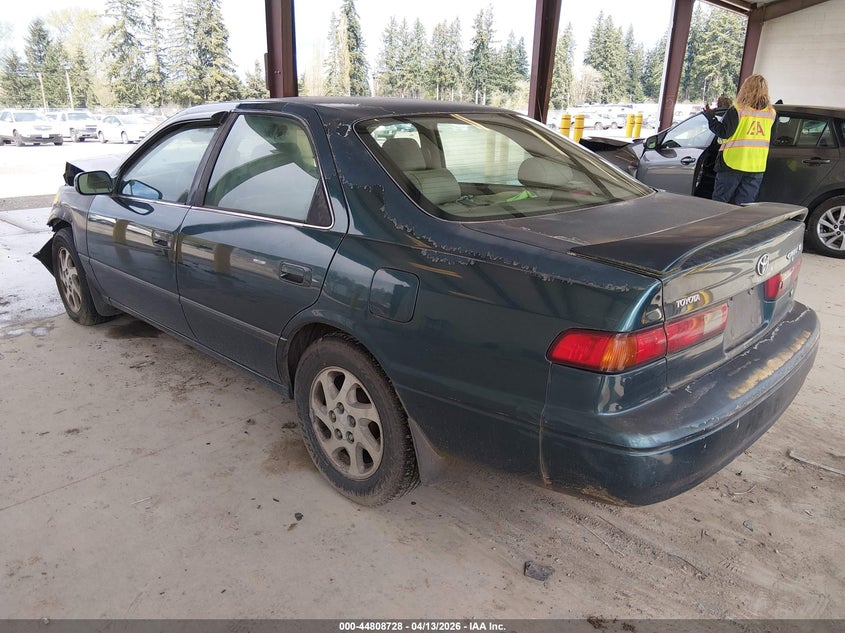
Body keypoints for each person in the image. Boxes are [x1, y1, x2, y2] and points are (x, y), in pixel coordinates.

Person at [703, 75, 776, 205]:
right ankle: (740, 225)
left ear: (745, 88)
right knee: (745, 205)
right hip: (756, 165)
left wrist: (711, 118)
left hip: (732, 162)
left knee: (720, 202)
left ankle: (718, 225)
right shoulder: (771, 113)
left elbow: (724, 133)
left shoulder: (738, 109)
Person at [693, 95, 733, 199]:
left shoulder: (725, 118)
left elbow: (721, 133)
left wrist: (710, 117)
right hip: (729, 161)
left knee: (715, 197)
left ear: (719, 105)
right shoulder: (733, 117)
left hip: (721, 162)